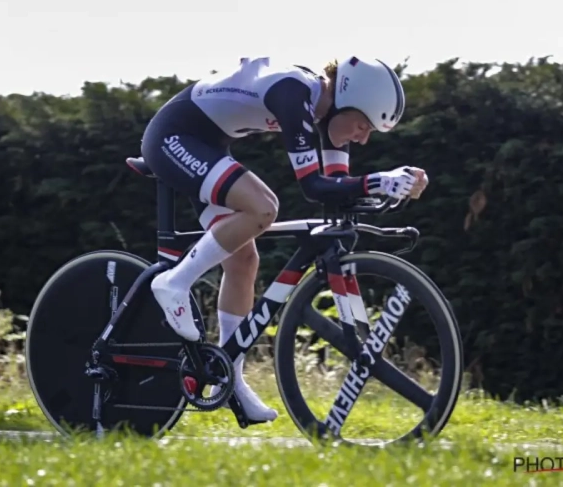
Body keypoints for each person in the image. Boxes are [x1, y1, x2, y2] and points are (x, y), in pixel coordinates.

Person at [140, 55, 429, 423]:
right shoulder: (294, 93)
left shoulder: (327, 114)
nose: (363, 137)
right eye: (362, 124)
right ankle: (173, 282)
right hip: (173, 137)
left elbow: (336, 189)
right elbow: (313, 186)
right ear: (345, 98)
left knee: (244, 261)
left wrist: (397, 188)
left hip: (207, 145)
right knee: (263, 207)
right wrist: (379, 180)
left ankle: (230, 378)